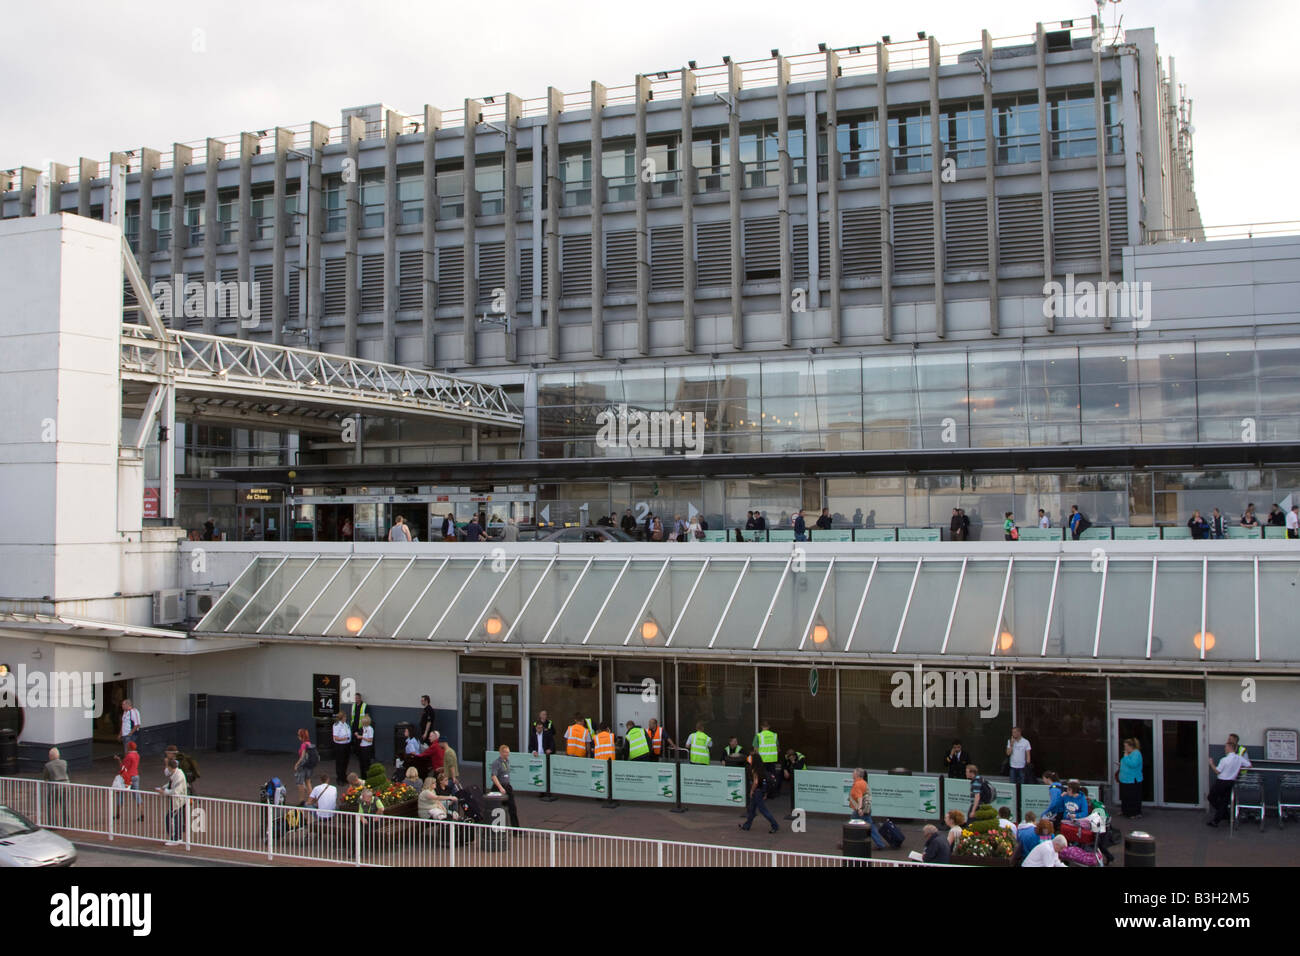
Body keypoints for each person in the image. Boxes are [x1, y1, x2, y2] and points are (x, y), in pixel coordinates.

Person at [1206, 733, 1252, 827]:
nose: (1225, 748)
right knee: (1224, 801)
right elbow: (1249, 765)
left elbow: (1217, 771)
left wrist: (1211, 764)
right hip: (1231, 781)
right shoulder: (1239, 758)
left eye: (1226, 747)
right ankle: (1219, 818)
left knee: (1211, 797)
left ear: (1230, 747)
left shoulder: (1224, 759)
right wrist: (1236, 768)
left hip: (1221, 782)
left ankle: (1223, 814)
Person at [739, 749, 779, 833]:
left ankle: (775, 825)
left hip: (757, 791)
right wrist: (765, 793)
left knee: (762, 810)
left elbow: (756, 782)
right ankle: (747, 825)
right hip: (761, 790)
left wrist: (751, 791)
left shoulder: (755, 769)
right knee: (752, 810)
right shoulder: (761, 769)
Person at [848, 768, 889, 851]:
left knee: (853, 825)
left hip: (860, 810)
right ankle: (879, 844)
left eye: (853, 773)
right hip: (865, 809)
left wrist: (859, 809)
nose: (852, 774)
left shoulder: (858, 784)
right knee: (869, 826)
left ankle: (850, 842)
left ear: (857, 775)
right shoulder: (863, 782)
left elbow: (859, 797)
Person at [158, 757, 188, 847]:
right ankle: (177, 838)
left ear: (170, 767)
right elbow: (170, 783)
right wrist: (164, 787)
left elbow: (175, 791)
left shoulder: (178, 775)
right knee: (175, 818)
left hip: (177, 800)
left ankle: (175, 838)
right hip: (177, 800)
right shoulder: (176, 773)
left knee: (172, 819)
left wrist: (164, 792)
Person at [489, 744, 521, 828]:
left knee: (512, 807)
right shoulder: (496, 763)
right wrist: (500, 787)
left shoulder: (507, 761)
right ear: (501, 752)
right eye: (506, 752)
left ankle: (516, 829)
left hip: (507, 786)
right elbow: (493, 776)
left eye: (508, 752)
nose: (507, 754)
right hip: (499, 787)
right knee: (496, 808)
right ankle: (494, 827)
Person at [42, 747, 70, 827]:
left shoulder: (48, 765)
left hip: (54, 787)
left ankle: (52, 824)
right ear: (58, 755)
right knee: (65, 805)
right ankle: (66, 823)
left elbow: (45, 777)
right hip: (65, 786)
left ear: (50, 756)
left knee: (51, 805)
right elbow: (67, 772)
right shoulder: (64, 762)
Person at [115, 742, 143, 821]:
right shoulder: (137, 755)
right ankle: (141, 813)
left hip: (128, 777)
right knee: (137, 794)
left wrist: (119, 760)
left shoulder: (129, 756)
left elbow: (123, 768)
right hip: (136, 775)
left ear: (129, 747)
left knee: (120, 793)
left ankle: (118, 814)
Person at [1118, 737, 1144, 818]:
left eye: (1126, 746)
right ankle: (1125, 811)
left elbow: (1133, 764)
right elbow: (1127, 763)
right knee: (1125, 796)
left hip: (1132, 779)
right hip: (1125, 779)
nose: (1125, 748)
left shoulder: (1136, 753)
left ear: (1131, 746)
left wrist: (1125, 756)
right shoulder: (1129, 753)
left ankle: (1133, 813)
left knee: (1132, 797)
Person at [293, 728, 314, 801]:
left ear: (302, 736)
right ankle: (311, 799)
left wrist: (296, 764)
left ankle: (301, 800)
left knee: (300, 783)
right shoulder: (309, 744)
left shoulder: (303, 745)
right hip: (309, 766)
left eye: (299, 735)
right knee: (308, 782)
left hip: (303, 766)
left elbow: (302, 757)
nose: (298, 736)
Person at [332, 711, 352, 783]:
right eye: (344, 717)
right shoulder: (337, 725)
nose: (346, 718)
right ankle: (339, 778)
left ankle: (344, 776)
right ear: (341, 718)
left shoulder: (346, 724)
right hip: (340, 746)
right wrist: (344, 738)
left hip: (347, 745)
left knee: (345, 761)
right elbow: (336, 737)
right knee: (340, 762)